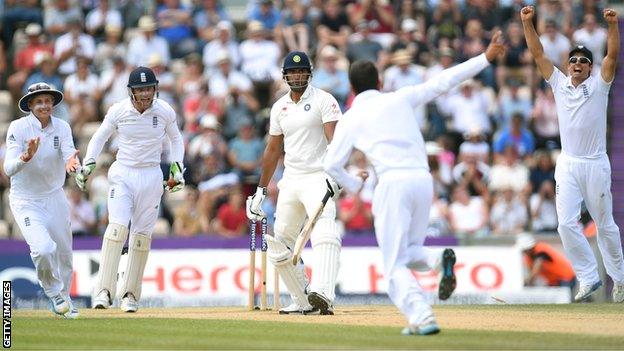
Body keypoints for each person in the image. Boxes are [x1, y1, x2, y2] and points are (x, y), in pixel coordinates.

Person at [323, 33, 505, 335]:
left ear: (352, 89)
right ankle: (438, 259)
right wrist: (485, 57)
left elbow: (330, 165)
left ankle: (421, 316)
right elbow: (443, 81)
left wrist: (354, 185)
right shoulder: (400, 97)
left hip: (392, 184)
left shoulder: (351, 117)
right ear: (380, 82)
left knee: (393, 265)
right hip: (423, 180)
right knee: (410, 251)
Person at [521, 6, 624, 303]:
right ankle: (589, 277)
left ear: (590, 68)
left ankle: (618, 279)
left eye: (583, 61)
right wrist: (528, 23)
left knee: (605, 226)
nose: (578, 63)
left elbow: (612, 57)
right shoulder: (558, 84)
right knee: (565, 223)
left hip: (595, 164)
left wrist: (613, 26)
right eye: (573, 60)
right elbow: (538, 53)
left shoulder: (600, 85)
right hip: (567, 163)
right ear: (568, 66)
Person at [75, 66, 185, 312]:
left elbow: (176, 139)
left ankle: (130, 295)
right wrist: (90, 161)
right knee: (117, 229)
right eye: (140, 89)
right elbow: (100, 136)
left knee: (141, 237)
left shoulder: (164, 110)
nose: (145, 94)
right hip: (123, 173)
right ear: (131, 91)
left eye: (149, 88)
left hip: (151, 175)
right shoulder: (118, 110)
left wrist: (178, 167)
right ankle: (103, 291)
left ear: (155, 89)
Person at [246, 51, 342, 315]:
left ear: (309, 74)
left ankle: (324, 292)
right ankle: (304, 300)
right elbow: (272, 150)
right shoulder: (279, 107)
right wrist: (260, 191)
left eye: (302, 72)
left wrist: (336, 174)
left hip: (319, 176)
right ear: (285, 75)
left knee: (324, 231)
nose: (297, 76)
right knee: (280, 243)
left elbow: (335, 141)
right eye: (293, 72)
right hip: (291, 179)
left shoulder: (325, 100)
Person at [4, 82, 80, 318]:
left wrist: (71, 163)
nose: (44, 105)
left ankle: (65, 301)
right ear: (30, 105)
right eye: (39, 101)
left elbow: (69, 154)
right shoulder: (17, 128)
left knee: (65, 254)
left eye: (47, 101)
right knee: (44, 249)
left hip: (55, 196)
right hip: (26, 200)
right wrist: (25, 157)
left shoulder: (62, 127)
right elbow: (8, 168)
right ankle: (55, 294)